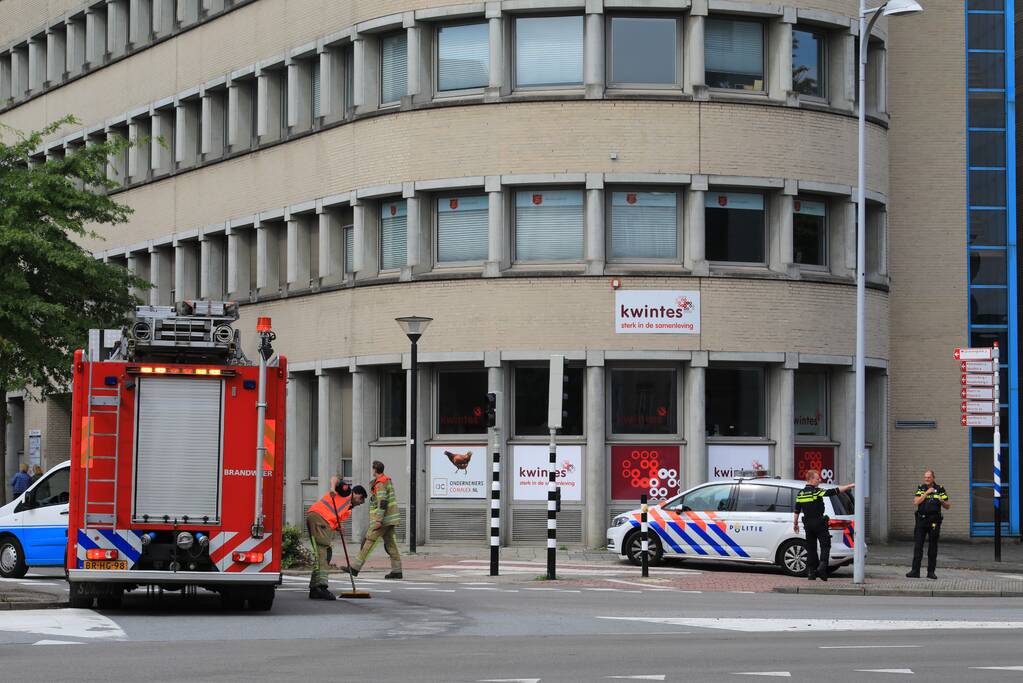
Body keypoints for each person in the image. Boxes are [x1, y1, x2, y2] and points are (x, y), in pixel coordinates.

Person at [306, 476, 366, 600]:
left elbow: (333, 515)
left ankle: (314, 587)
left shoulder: (348, 508)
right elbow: (334, 478)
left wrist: (337, 527)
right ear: (357, 495)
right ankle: (321, 587)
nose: (360, 503)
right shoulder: (347, 492)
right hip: (319, 517)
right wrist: (333, 489)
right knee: (322, 551)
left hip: (321, 519)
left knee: (325, 552)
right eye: (361, 500)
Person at [793, 469, 855, 581]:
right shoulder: (816, 491)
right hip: (819, 523)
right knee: (825, 545)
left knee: (811, 548)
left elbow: (797, 510)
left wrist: (795, 523)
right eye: (817, 478)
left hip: (808, 524)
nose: (820, 480)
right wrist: (849, 486)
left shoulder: (800, 493)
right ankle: (822, 568)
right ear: (811, 479)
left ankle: (811, 573)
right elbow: (833, 491)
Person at [345, 461, 402, 579]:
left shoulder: (380, 483)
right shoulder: (387, 480)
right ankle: (397, 570)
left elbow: (382, 502)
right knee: (391, 544)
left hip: (383, 520)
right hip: (390, 519)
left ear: (375, 470)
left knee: (369, 541)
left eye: (372, 469)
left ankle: (355, 568)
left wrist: (378, 520)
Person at [907, 469, 950, 580]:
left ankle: (931, 572)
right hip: (921, 520)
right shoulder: (921, 488)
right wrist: (926, 493)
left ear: (933, 478)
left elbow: (948, 506)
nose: (926, 479)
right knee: (918, 546)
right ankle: (915, 571)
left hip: (934, 521)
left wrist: (942, 501)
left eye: (929, 477)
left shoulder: (940, 489)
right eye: (925, 477)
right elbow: (916, 502)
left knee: (933, 547)